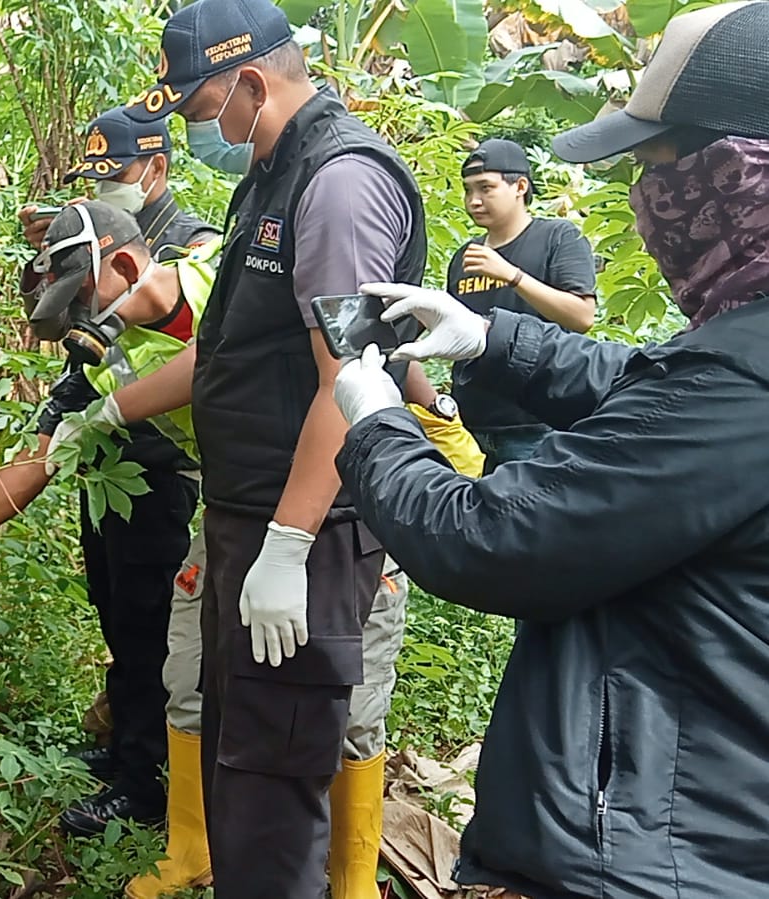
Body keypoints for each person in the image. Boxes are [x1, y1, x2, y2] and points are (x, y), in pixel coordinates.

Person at [331, 3, 769, 896]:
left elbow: (487, 539)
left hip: (662, 849)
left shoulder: (736, 388)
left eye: (662, 167)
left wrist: (376, 424)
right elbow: (656, 385)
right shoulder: (735, 361)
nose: (653, 203)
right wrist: (491, 339)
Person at [54, 0, 432, 893]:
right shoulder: (269, 175)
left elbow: (349, 378)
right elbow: (228, 350)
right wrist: (109, 409)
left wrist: (291, 544)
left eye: (197, 111)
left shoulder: (338, 184)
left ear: (252, 84)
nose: (194, 131)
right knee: (241, 764)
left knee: (273, 783)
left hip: (308, 530)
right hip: (245, 517)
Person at [0, 202, 211, 841]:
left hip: (206, 488)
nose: (78, 314)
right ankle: (127, 755)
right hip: (124, 484)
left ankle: (146, 786)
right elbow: (38, 456)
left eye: (82, 293)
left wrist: (115, 410)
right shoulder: (99, 352)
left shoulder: (210, 283)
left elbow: (218, 359)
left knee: (155, 637)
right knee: (123, 623)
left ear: (121, 263)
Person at [446, 138, 598, 469]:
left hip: (538, 423)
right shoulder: (465, 256)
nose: (474, 201)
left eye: (486, 188)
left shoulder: (558, 237)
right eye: (468, 190)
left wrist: (513, 275)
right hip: (477, 425)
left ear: (520, 186)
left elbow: (582, 316)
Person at [18, 106, 220, 258]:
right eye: (98, 179)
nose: (105, 188)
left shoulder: (197, 244)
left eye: (116, 176)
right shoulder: (90, 239)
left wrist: (109, 239)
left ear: (157, 168)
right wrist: (59, 255)